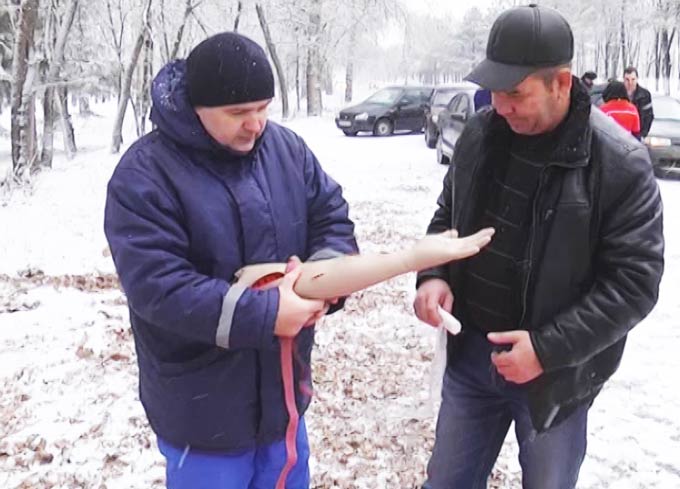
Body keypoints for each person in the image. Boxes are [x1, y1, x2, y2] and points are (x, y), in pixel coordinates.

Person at [414, 5, 664, 489]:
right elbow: (448, 214)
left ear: (561, 83)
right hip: (471, 358)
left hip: (556, 380)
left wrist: (546, 351)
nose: (500, 106)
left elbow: (635, 284)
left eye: (515, 93)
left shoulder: (620, 163)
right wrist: (434, 275)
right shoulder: (483, 134)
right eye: (495, 91)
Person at [104, 32, 361, 489]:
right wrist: (266, 314)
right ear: (197, 107)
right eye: (239, 113)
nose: (256, 124)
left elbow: (331, 216)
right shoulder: (144, 175)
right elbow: (158, 287)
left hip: (282, 398)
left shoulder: (288, 151)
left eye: (263, 108)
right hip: (202, 412)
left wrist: (326, 276)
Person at [623, 66, 654, 137]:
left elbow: (649, 116)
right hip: (622, 134)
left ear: (637, 79)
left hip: (638, 134)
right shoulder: (618, 93)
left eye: (633, 79)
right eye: (627, 79)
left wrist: (643, 134)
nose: (630, 83)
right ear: (623, 80)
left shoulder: (645, 95)